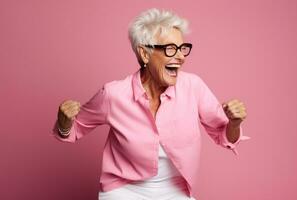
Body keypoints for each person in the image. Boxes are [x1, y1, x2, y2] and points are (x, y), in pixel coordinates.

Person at [52, 8, 250, 200]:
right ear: (145, 54)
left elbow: (225, 136)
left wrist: (234, 123)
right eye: (171, 49)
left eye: (182, 48)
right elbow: (74, 129)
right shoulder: (114, 94)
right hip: (123, 191)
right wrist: (64, 122)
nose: (181, 56)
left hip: (175, 191)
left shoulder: (193, 86)